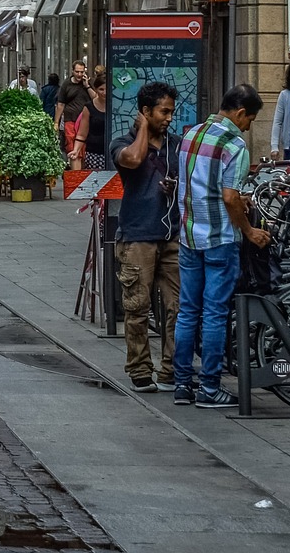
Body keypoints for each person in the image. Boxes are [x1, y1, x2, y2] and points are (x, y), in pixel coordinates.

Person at [172, 84, 270, 409]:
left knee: (188, 311)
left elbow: (195, 184)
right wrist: (250, 229)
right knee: (214, 313)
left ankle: (182, 383)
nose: (248, 126)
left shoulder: (191, 134)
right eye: (250, 120)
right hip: (219, 238)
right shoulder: (234, 145)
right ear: (241, 113)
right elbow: (229, 197)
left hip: (189, 235)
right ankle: (210, 388)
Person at [113, 81, 182, 394]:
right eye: (163, 111)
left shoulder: (177, 145)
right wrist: (143, 130)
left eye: (171, 111)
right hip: (137, 234)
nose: (169, 117)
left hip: (171, 235)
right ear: (145, 111)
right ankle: (140, 369)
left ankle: (171, 370)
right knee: (137, 306)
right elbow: (132, 160)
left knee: (178, 307)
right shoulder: (122, 142)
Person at [54, 63, 95, 163]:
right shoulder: (66, 84)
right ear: (72, 71)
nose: (79, 74)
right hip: (70, 119)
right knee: (72, 146)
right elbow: (61, 104)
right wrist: (56, 122)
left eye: (82, 72)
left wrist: (87, 86)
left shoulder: (89, 82)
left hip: (85, 120)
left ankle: (82, 170)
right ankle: (75, 172)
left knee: (83, 146)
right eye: (77, 72)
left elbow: (96, 98)